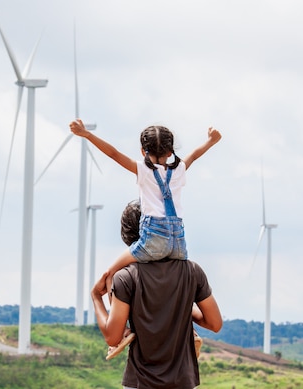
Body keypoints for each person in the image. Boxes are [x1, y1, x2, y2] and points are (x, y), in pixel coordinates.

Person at [70, 119, 221, 354]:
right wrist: (211, 141)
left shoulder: (142, 170)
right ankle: (190, 332)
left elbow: (112, 154)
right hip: (178, 243)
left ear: (143, 151)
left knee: (111, 274)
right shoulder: (179, 169)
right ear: (171, 151)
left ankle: (124, 330)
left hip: (152, 241)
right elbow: (194, 155)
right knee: (180, 286)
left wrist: (86, 135)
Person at [91, 200, 223, 389]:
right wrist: (182, 308)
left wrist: (96, 296)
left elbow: (113, 337)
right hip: (183, 382)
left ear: (128, 235)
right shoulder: (192, 272)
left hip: (139, 382)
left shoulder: (125, 278)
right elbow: (214, 323)